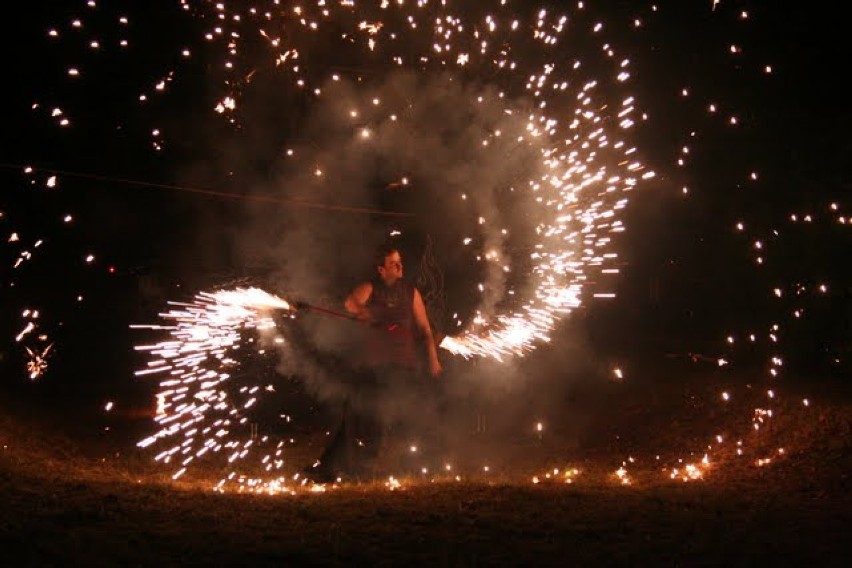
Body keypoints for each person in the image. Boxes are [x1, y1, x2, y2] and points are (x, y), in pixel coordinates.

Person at [305, 245, 443, 482]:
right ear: (381, 269)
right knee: (354, 412)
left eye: (400, 262)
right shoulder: (371, 288)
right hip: (373, 365)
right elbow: (350, 302)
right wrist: (362, 312)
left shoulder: (411, 292)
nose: (400, 266)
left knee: (378, 414)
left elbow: (425, 328)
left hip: (400, 366)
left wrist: (433, 358)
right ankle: (329, 468)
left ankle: (366, 468)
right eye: (393, 263)